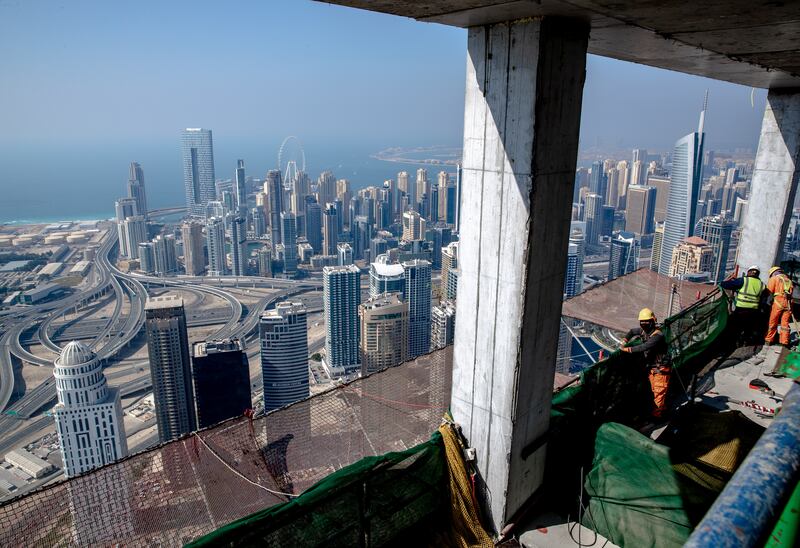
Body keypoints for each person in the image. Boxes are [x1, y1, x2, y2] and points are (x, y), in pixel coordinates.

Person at [621, 308, 671, 418]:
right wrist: (625, 340)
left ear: (653, 321)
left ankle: (657, 417)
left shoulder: (658, 336)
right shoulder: (644, 331)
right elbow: (632, 331)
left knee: (658, 393)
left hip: (661, 369)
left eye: (646, 321)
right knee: (656, 391)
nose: (644, 324)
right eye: (642, 322)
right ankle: (661, 409)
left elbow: (645, 347)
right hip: (653, 369)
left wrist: (627, 349)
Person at [720, 265, 765, 346]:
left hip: (741, 309)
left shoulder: (744, 280)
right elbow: (763, 297)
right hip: (754, 311)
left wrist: (723, 282)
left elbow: (727, 285)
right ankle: (745, 341)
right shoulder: (762, 284)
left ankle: (735, 343)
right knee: (748, 327)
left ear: (749, 272)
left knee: (736, 327)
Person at [765, 266, 794, 347]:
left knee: (773, 322)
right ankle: (784, 342)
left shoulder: (774, 279)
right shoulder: (789, 280)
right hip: (788, 304)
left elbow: (768, 291)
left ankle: (769, 340)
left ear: (773, 273)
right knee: (785, 323)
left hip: (778, 302)